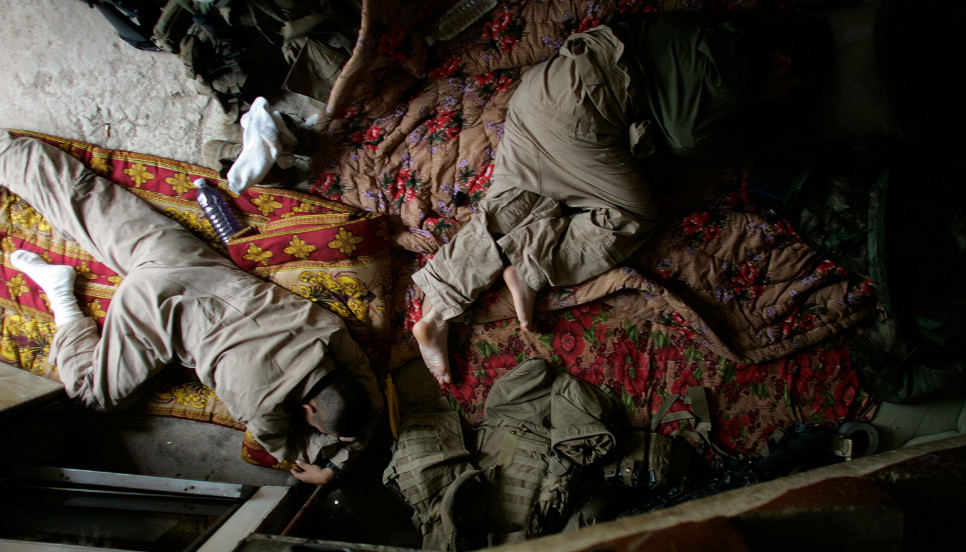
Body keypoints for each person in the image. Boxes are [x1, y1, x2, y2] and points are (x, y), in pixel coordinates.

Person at [411, 13, 830, 385]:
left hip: (539, 94)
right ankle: (530, 265)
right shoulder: (734, 74)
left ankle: (433, 314)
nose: (784, 98)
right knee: (631, 214)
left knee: (514, 202)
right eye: (789, 88)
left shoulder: (718, 29)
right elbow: (686, 140)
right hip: (582, 110)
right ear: (781, 64)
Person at [0, 131, 383, 485]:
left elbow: (366, 383)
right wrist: (334, 465)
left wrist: (349, 419)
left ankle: (9, 153)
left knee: (86, 201)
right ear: (308, 410)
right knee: (92, 397)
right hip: (152, 310)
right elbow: (292, 452)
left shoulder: (328, 330)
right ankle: (60, 293)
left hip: (187, 262)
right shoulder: (262, 408)